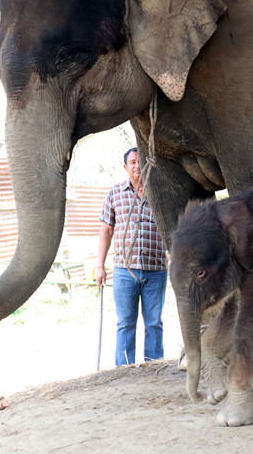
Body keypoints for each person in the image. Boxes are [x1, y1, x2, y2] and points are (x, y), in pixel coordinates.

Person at [96, 147, 168, 366]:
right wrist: (100, 266)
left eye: (141, 162)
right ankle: (124, 369)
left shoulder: (161, 193)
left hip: (156, 271)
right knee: (125, 323)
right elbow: (106, 231)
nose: (138, 166)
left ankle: (154, 367)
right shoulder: (115, 192)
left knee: (154, 322)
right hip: (124, 271)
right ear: (126, 166)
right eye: (133, 162)